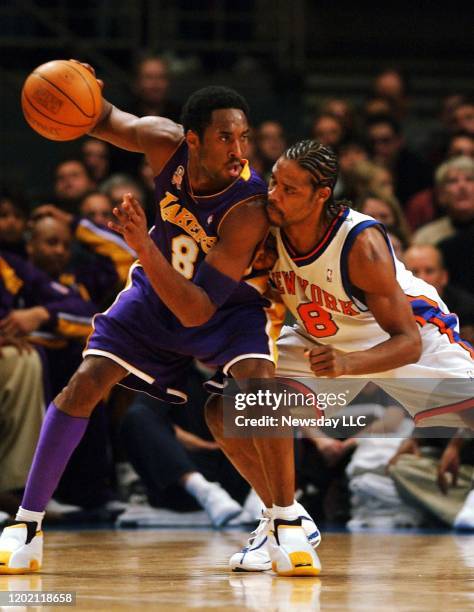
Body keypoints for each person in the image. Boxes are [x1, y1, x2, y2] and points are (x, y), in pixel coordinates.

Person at [0, 70, 319, 576]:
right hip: (155, 290)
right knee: (84, 384)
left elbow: (198, 311)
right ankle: (26, 526)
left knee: (256, 385)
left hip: (228, 306)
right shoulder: (162, 142)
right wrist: (80, 92)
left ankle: (285, 522)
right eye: (224, 137)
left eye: (244, 137)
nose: (239, 150)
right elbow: (101, 118)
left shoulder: (249, 207)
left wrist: (144, 246)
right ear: (191, 139)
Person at [215, 140, 474, 571]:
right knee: (228, 409)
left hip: (408, 339)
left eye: (289, 190)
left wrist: (350, 365)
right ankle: (282, 518)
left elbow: (406, 341)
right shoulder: (266, 224)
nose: (275, 196)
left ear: (321, 195)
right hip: (325, 340)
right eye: (275, 183)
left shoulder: (361, 242)